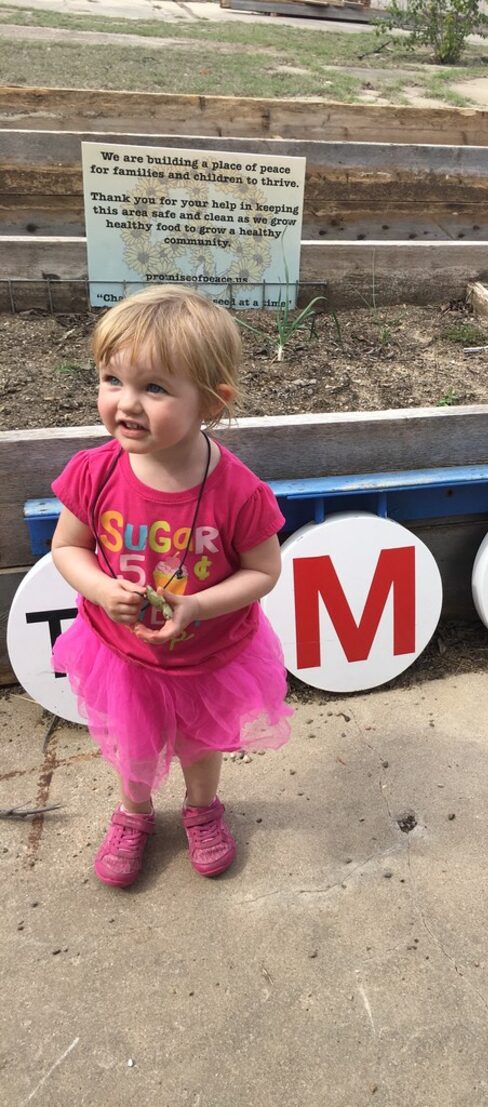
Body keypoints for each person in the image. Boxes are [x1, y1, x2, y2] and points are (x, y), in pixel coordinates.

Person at [51, 286, 292, 888]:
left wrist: (200, 605)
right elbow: (68, 547)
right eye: (112, 380)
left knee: (200, 742)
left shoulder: (238, 491)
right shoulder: (95, 471)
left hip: (207, 655)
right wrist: (102, 589)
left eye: (154, 388)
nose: (126, 404)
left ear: (212, 402)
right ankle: (134, 815)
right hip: (122, 653)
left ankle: (202, 808)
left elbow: (265, 571)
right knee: (132, 743)